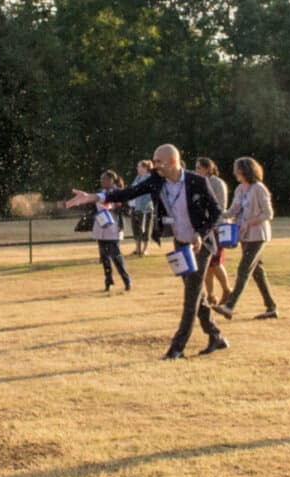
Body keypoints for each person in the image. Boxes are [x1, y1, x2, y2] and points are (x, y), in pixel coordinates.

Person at [66, 144, 224, 359]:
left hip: (201, 245)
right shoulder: (156, 180)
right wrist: (95, 197)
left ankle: (176, 348)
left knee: (191, 297)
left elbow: (216, 212)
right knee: (196, 294)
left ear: (172, 162)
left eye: (158, 162)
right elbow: (127, 192)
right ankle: (216, 336)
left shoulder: (198, 181)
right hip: (181, 244)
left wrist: (201, 233)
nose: (154, 165)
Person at [211, 156, 279, 321]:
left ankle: (229, 306)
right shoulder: (240, 189)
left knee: (244, 270)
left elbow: (268, 214)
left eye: (237, 168)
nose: (234, 172)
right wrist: (216, 213)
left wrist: (249, 222)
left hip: (258, 236)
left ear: (244, 170)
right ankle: (271, 307)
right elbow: (233, 210)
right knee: (257, 272)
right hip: (244, 236)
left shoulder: (258, 188)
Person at [195, 157, 231, 307]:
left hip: (216, 227)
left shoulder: (217, 183)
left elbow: (219, 207)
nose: (196, 171)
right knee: (206, 263)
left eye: (199, 168)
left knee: (215, 262)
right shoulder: (201, 182)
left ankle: (227, 290)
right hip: (204, 228)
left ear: (207, 168)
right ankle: (211, 295)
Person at [91, 170, 132, 294]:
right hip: (100, 228)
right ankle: (108, 281)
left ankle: (126, 280)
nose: (102, 181)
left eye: (104, 179)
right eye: (101, 179)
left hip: (113, 229)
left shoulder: (119, 193)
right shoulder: (99, 192)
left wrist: (115, 206)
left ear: (111, 181)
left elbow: (127, 209)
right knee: (104, 257)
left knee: (116, 256)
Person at [128, 159, 156, 257]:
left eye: (139, 166)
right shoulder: (138, 177)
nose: (137, 168)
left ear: (145, 168)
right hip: (135, 207)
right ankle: (137, 249)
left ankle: (145, 249)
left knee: (145, 229)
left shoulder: (149, 178)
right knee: (136, 229)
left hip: (145, 209)